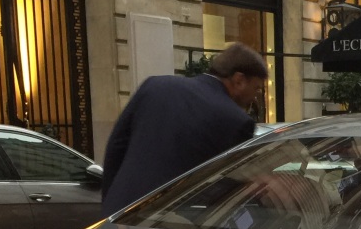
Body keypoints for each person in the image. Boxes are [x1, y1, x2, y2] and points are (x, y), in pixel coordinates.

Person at [100, 43, 268, 216]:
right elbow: (228, 186)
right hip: (170, 224)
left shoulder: (155, 86)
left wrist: (110, 204)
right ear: (239, 80)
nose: (254, 97)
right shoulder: (236, 121)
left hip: (118, 209)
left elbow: (116, 148)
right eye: (255, 88)